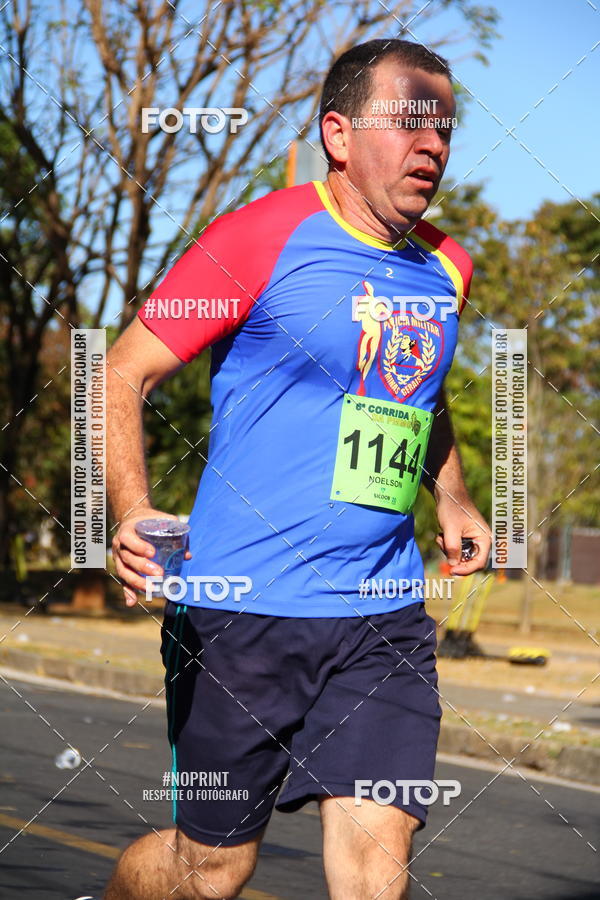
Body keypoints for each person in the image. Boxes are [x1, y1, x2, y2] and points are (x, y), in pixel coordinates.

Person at [103, 38, 491, 900]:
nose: (432, 145)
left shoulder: (447, 266)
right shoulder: (260, 238)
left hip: (381, 612)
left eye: (445, 128)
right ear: (338, 135)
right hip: (244, 609)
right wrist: (131, 511)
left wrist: (453, 494)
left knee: (378, 859)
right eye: (409, 122)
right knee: (210, 872)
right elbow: (121, 371)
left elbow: (417, 392)